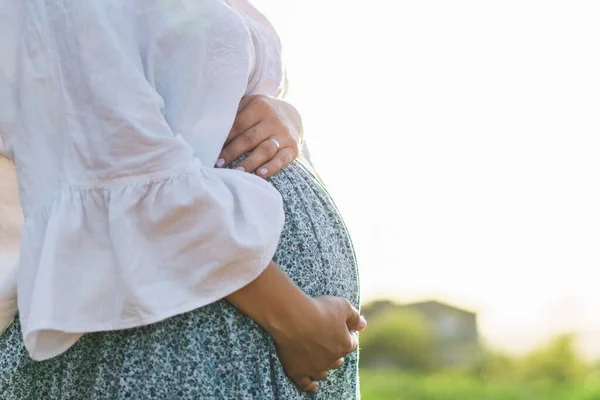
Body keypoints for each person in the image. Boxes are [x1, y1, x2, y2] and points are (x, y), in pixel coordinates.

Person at [0, 0, 363, 398]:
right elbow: (115, 164)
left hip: (227, 327)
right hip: (171, 333)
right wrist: (294, 317)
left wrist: (280, 114)